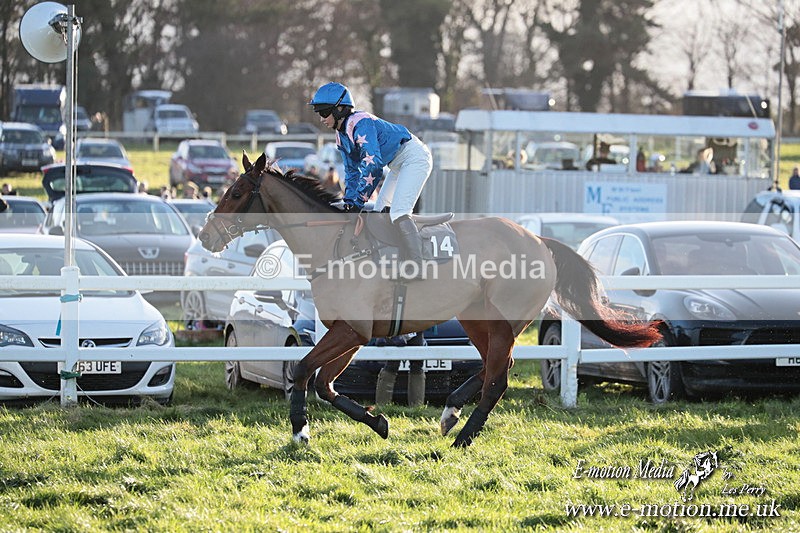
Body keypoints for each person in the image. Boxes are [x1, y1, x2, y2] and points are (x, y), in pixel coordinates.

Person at [308, 82, 433, 277]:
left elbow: (373, 165)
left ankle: (418, 265)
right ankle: (393, 257)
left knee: (399, 212)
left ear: (340, 109)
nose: (322, 119)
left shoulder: (361, 123)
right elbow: (351, 172)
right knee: (379, 212)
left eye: (324, 112)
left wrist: (358, 201)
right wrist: (350, 203)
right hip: (398, 164)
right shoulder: (341, 137)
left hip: (414, 157)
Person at [374, 332, 426, 407]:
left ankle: (417, 408)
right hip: (396, 328)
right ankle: (382, 407)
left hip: (415, 328)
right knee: (392, 364)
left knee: (417, 365)